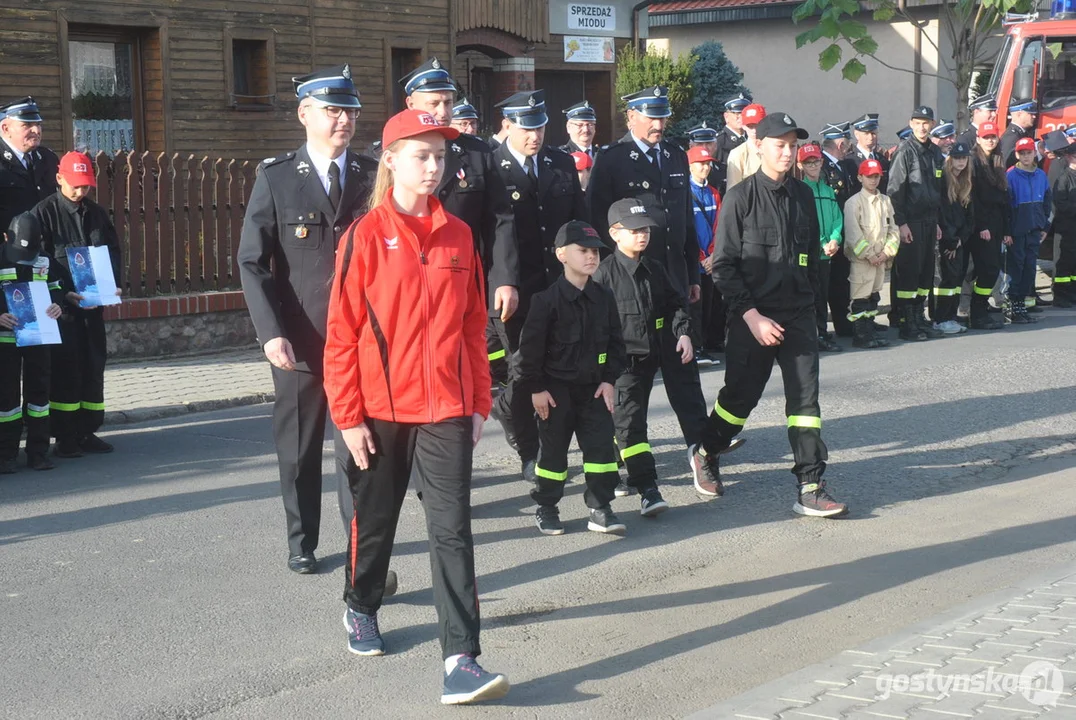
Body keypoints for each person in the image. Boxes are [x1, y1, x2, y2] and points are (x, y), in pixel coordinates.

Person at [324, 109, 507, 705]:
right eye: (422, 155)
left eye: (441, 156)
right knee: (375, 524)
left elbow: (474, 325)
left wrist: (480, 402)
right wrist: (348, 416)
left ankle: (461, 658)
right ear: (392, 160)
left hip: (448, 410)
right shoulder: (364, 236)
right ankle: (360, 605)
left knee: (452, 531)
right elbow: (341, 334)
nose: (434, 167)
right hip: (378, 411)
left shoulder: (459, 235)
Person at [237, 64, 379, 575]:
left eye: (352, 111)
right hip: (300, 341)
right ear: (304, 114)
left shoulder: (371, 174)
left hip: (362, 341)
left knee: (359, 450)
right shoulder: (276, 177)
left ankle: (363, 548)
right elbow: (252, 261)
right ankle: (302, 540)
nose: (345, 119)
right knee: (298, 450)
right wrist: (270, 333)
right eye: (333, 110)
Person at [709, 110, 847, 518]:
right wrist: (752, 317)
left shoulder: (804, 195)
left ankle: (810, 484)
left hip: (800, 313)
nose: (788, 154)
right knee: (739, 400)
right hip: (753, 317)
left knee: (805, 401)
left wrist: (813, 307)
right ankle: (706, 449)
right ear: (759, 146)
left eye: (792, 146)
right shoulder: (740, 197)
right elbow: (724, 267)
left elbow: (807, 257)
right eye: (779, 146)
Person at [587, 86, 720, 493]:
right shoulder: (611, 160)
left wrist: (692, 277)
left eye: (663, 118)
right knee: (630, 385)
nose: (660, 125)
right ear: (631, 117)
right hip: (627, 291)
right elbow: (595, 222)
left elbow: (680, 220)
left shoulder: (676, 155)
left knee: (686, 379)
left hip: (673, 283)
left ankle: (701, 454)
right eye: (651, 118)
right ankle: (625, 451)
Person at [595, 198, 741, 506]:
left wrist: (684, 335)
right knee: (630, 425)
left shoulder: (655, 267)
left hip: (665, 346)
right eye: (634, 230)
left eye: (645, 228)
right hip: (626, 363)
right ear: (615, 234)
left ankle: (702, 459)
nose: (642, 235)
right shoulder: (603, 276)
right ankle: (647, 487)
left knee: (689, 399)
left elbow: (677, 305)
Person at [488, 89, 586, 483]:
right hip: (514, 291)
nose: (535, 135)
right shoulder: (491, 167)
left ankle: (549, 442)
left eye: (541, 126)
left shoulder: (560, 162)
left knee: (559, 368)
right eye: (527, 128)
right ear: (507, 125)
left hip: (558, 285)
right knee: (523, 373)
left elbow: (579, 221)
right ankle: (530, 452)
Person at [515, 220, 627, 535]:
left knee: (601, 451)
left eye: (595, 251)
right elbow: (530, 352)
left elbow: (617, 344)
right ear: (562, 254)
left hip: (593, 390)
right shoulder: (545, 301)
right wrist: (536, 389)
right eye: (583, 251)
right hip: (555, 392)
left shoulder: (604, 296)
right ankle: (547, 507)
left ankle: (600, 507)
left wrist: (609, 379)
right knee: (552, 454)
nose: (591, 257)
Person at [31, 151, 123, 458]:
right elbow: (39, 262)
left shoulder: (96, 214)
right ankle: (65, 436)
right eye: (75, 185)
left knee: (93, 367)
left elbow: (112, 252)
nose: (81, 191)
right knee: (66, 371)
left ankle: (87, 430)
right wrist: (61, 295)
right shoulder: (43, 214)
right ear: (59, 179)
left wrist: (113, 286)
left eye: (86, 186)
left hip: (93, 308)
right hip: (64, 312)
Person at [0, 212, 64, 472]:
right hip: (6, 341)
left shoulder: (45, 260)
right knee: (6, 398)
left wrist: (58, 306)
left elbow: (58, 287)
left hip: (39, 338)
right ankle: (6, 454)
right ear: (6, 238)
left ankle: (38, 452)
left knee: (39, 394)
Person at [887, 105, 945, 341]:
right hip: (910, 221)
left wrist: (938, 222)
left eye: (926, 122)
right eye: (918, 122)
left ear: (932, 125)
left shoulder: (934, 152)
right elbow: (894, 191)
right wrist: (900, 223)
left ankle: (919, 316)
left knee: (925, 273)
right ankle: (907, 321)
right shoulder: (905, 151)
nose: (922, 127)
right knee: (908, 274)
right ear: (911, 123)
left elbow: (937, 189)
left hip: (930, 221)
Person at [842, 159, 899, 348]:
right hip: (862, 261)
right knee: (860, 298)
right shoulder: (853, 203)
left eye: (876, 176)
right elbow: (853, 234)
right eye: (869, 176)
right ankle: (861, 335)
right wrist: (869, 254)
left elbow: (893, 229)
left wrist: (887, 252)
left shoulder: (885, 201)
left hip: (880, 260)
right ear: (860, 177)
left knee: (874, 297)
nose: (873, 180)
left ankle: (869, 331)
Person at [797, 143, 844, 352]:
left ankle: (823, 332)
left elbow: (837, 218)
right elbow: (806, 221)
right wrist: (823, 241)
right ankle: (812, 334)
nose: (813, 165)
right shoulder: (800, 190)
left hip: (827, 254)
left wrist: (835, 239)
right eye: (808, 162)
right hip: (811, 252)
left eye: (816, 161)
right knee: (811, 295)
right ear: (800, 166)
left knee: (823, 294)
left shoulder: (827, 190)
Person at [968, 121, 1010, 330]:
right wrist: (981, 225)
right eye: (986, 137)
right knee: (987, 269)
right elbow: (973, 197)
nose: (990, 140)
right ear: (978, 139)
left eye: (993, 137)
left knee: (991, 270)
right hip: (981, 226)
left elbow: (1004, 198)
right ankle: (977, 313)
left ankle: (981, 308)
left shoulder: (997, 160)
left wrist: (1006, 230)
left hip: (996, 224)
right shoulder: (974, 162)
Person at [1006, 136, 1051, 324]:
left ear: (1034, 153)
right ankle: (1013, 305)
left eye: (1029, 152)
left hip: (1034, 229)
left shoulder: (1040, 175)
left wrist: (1045, 226)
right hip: (1017, 231)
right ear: (1017, 154)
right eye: (1022, 153)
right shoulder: (1010, 175)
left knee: (1029, 268)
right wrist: (1007, 231)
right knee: (1016, 268)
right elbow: (1006, 206)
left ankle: (1021, 305)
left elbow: (1047, 202)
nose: (1025, 156)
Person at [0, 97, 59, 236]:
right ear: (6, 128)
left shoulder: (48, 158)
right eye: (27, 125)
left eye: (38, 124)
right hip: (9, 248)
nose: (36, 130)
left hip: (48, 245)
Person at [687, 145, 724, 365]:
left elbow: (719, 225)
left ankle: (708, 343)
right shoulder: (684, 194)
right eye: (700, 163)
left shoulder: (713, 193)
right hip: (694, 261)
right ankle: (696, 347)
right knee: (695, 305)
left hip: (711, 260)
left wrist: (711, 254)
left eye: (707, 163)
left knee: (710, 303)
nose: (705, 167)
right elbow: (688, 229)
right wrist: (701, 256)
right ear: (690, 166)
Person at [818, 121, 855, 339]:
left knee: (841, 281)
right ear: (840, 144)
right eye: (847, 142)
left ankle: (843, 324)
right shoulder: (821, 167)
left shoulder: (843, 166)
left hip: (841, 233)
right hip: (828, 236)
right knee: (825, 285)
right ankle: (823, 330)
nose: (849, 147)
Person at [934, 141, 974, 335]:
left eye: (964, 158)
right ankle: (940, 318)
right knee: (946, 281)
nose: (961, 162)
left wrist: (961, 239)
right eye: (957, 158)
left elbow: (970, 216)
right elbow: (941, 214)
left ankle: (950, 316)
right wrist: (950, 240)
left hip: (959, 240)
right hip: (947, 240)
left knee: (956, 280)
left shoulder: (966, 181)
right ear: (950, 160)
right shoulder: (944, 181)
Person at [1049, 133, 1076, 308]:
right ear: (1068, 157)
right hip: (1066, 227)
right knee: (1064, 263)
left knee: (1073, 262)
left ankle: (1071, 292)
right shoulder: (1064, 177)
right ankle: (1060, 295)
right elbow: (1060, 202)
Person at [713, 93, 751, 196]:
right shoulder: (719, 142)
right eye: (736, 114)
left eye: (743, 114)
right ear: (726, 116)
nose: (740, 118)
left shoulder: (752, 139)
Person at [843, 113, 890, 195]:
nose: (871, 137)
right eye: (866, 133)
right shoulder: (849, 161)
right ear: (856, 134)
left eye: (873, 133)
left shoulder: (882, 160)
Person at [725, 103, 766, 190]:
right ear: (743, 126)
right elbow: (733, 191)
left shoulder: (773, 149)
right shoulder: (737, 154)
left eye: (758, 125)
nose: (754, 130)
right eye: (750, 126)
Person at [999, 100, 1037, 169]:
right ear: (1019, 115)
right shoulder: (1011, 137)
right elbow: (1006, 164)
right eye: (1030, 114)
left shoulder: (1021, 133)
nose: (1034, 117)